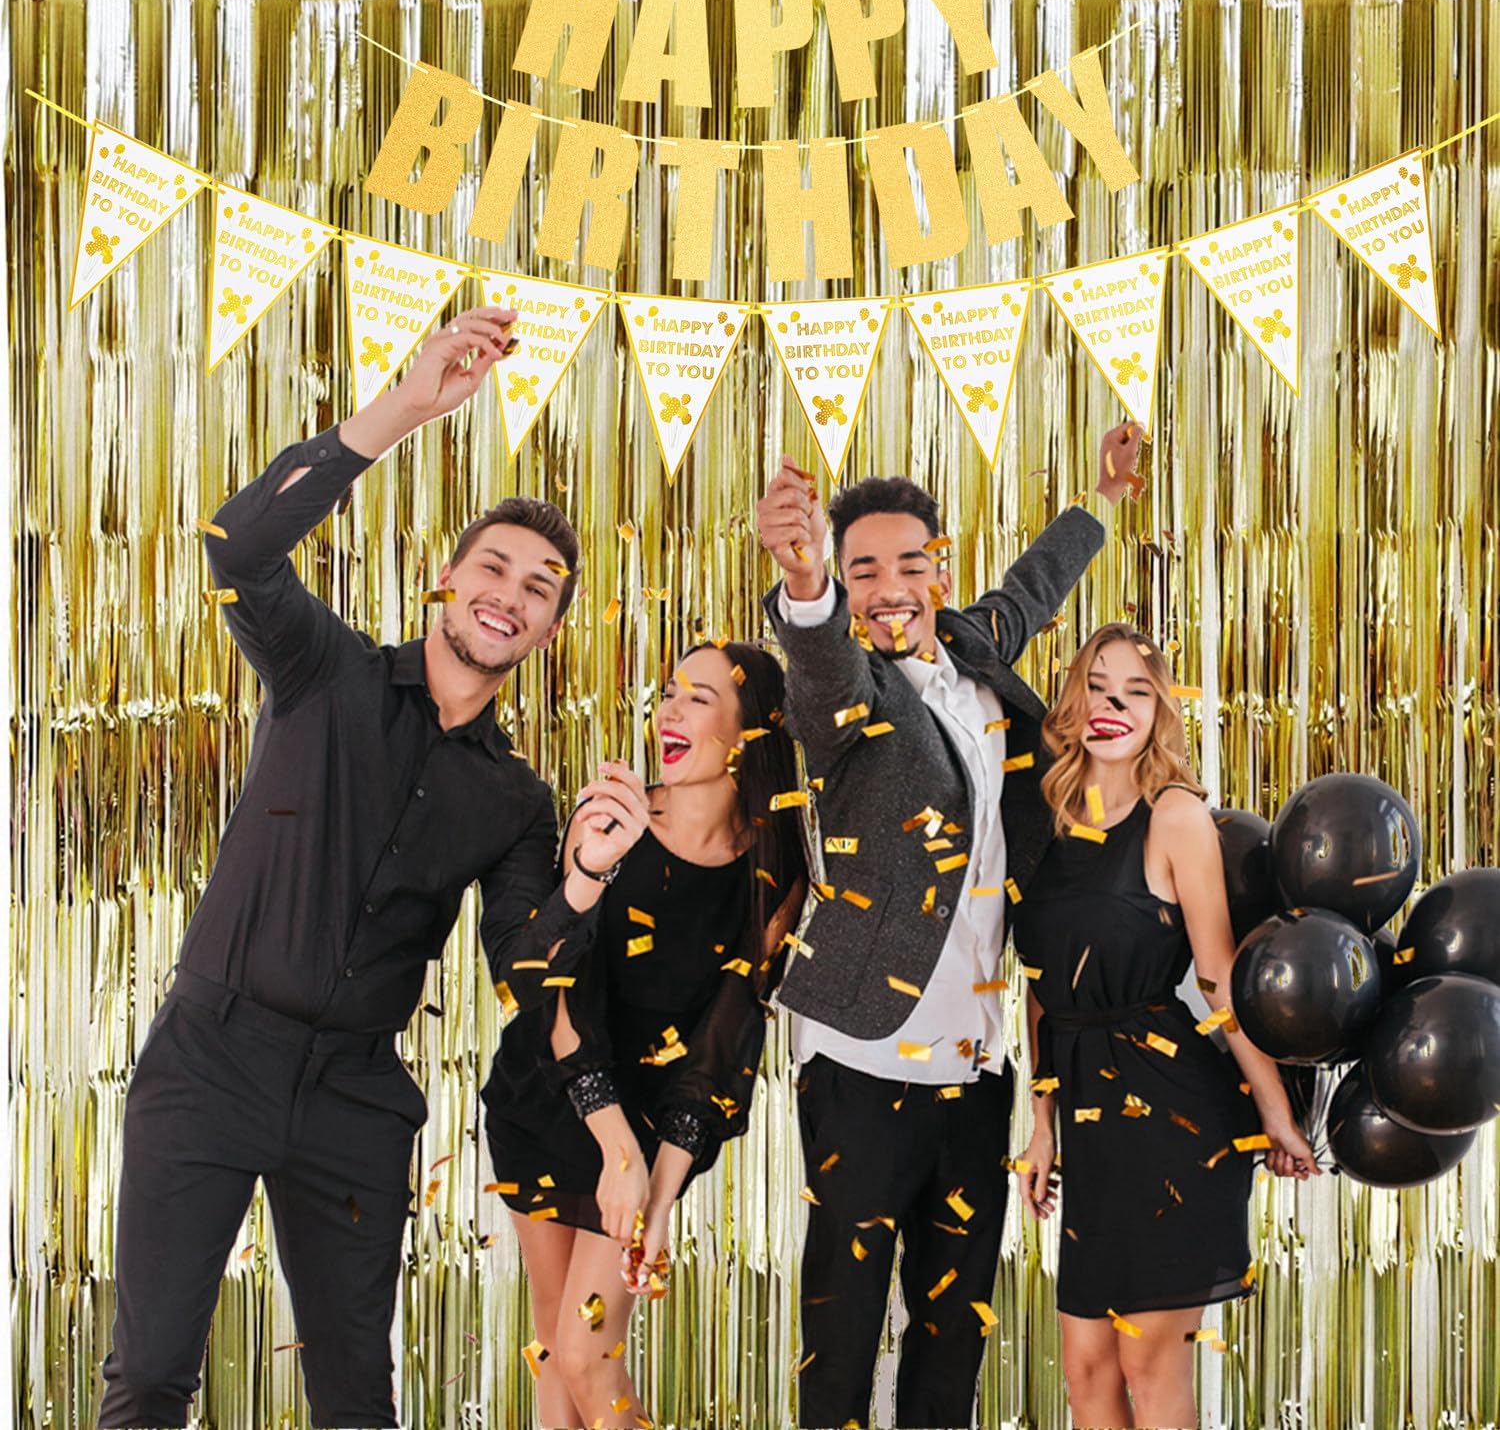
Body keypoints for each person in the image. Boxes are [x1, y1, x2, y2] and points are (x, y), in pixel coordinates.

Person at [98, 307, 654, 1428]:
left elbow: (525, 969)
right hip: (210, 1059)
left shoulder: (517, 799)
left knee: (357, 1399)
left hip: (355, 1096)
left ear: (550, 628)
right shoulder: (324, 670)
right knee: (151, 1375)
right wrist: (404, 409)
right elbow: (236, 547)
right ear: (447, 581)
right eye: (493, 567)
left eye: (539, 588)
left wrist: (587, 877)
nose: (509, 593)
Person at [754, 423, 1142, 1430]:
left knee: (951, 1336)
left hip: (976, 1064)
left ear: (940, 570)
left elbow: (1032, 588)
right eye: (862, 571)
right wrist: (802, 582)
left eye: (908, 564)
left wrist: (1102, 497)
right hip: (862, 1056)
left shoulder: (973, 648)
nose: (890, 588)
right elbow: (818, 660)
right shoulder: (846, 693)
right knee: (842, 1335)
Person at [482, 639, 808, 1430]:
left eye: (699, 698)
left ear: (750, 733)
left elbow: (722, 1047)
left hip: (659, 1124)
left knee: (588, 1353)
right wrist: (615, 1151)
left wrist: (657, 1188)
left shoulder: (774, 869)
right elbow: (565, 1001)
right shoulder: (609, 823)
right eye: (669, 693)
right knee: (558, 1349)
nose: (670, 711)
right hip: (549, 1101)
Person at [1010, 622, 1320, 1430]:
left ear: (1157, 715)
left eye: (1135, 693)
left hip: (1172, 1114)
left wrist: (1275, 1114)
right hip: (1088, 1120)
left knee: (1149, 1367)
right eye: (1097, 688)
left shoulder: (1175, 815)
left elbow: (1219, 979)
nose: (1112, 706)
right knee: (1086, 1370)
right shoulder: (1043, 818)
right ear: (1072, 702)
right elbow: (1042, 989)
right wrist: (1040, 1126)